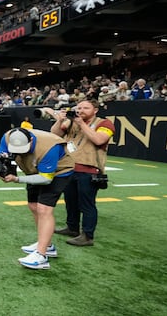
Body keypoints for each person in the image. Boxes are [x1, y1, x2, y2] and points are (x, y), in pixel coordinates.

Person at [0, 128, 75, 270]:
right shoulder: (7, 137)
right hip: (32, 170)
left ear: (31, 141)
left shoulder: (49, 147)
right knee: (33, 205)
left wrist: (17, 179)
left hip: (58, 173)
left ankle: (41, 255)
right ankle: (47, 245)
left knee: (44, 209)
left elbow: (45, 179)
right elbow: (3, 156)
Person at [51, 99, 114, 246]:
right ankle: (72, 228)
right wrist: (59, 120)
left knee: (87, 204)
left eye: (86, 108)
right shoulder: (71, 122)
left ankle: (87, 235)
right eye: (79, 108)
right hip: (69, 167)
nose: (81, 111)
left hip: (89, 169)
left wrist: (81, 124)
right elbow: (54, 135)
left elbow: (99, 140)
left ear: (95, 110)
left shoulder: (104, 123)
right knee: (70, 201)